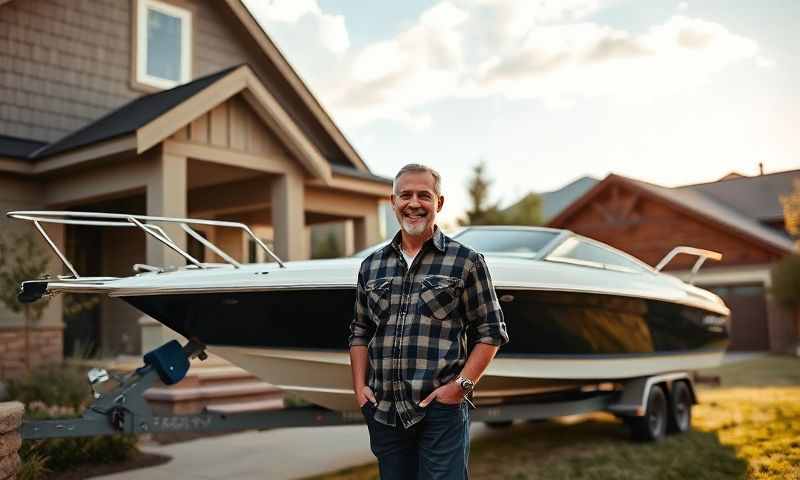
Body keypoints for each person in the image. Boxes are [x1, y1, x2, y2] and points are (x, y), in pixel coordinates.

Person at [348, 163, 509, 480]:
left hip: (441, 411)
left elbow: (491, 332)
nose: (414, 203)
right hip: (384, 410)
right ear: (392, 201)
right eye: (405, 195)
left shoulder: (467, 261)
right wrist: (359, 388)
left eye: (424, 195)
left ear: (439, 203)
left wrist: (460, 388)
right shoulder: (371, 265)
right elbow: (360, 331)